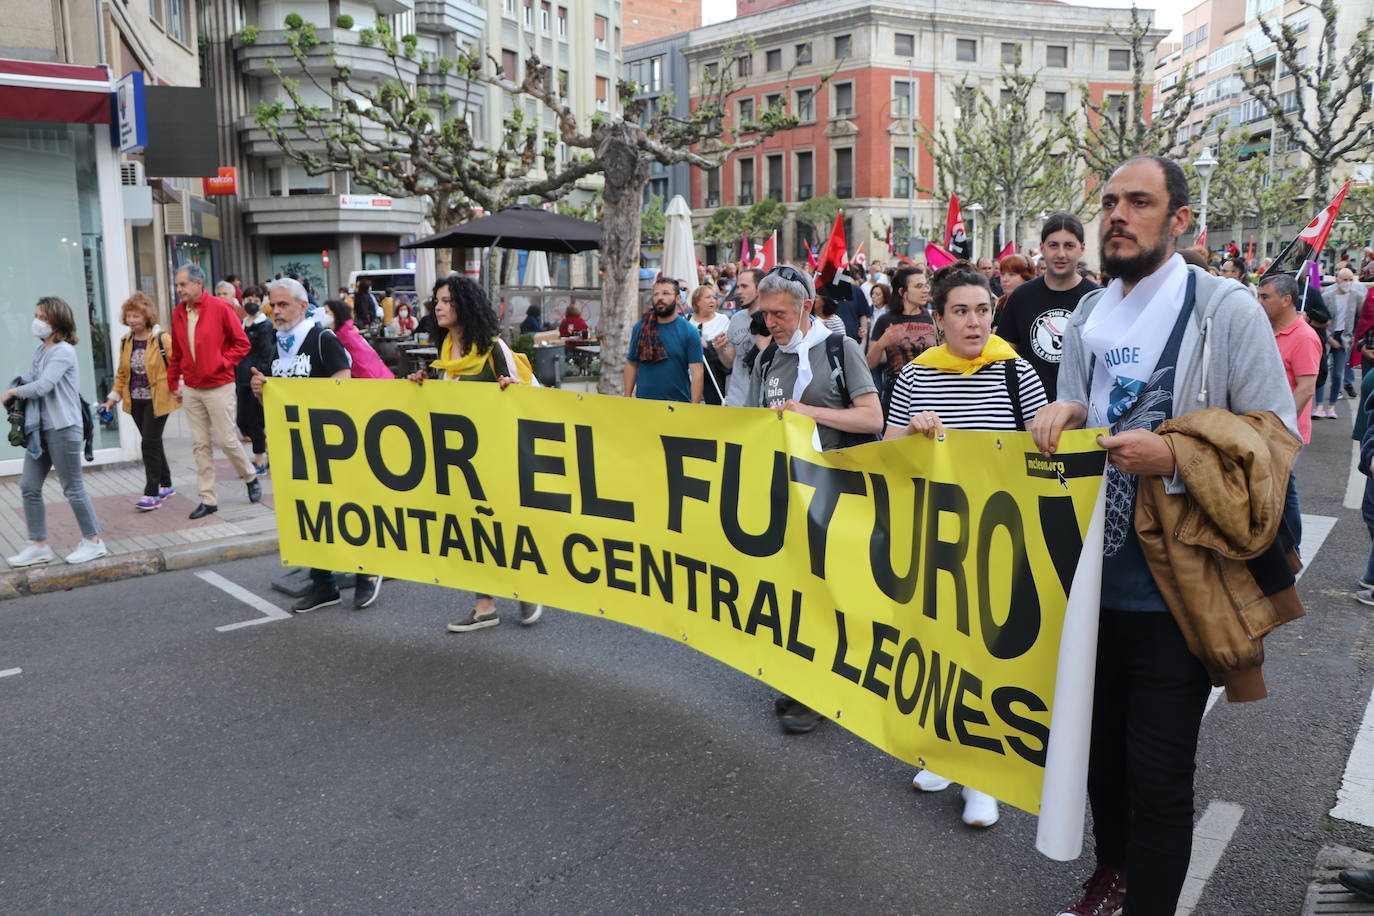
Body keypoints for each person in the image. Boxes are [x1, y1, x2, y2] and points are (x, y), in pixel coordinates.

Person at [1032, 156, 1299, 916]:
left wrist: (1176, 454)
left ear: (1180, 220)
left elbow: (1274, 438)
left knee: (1158, 774)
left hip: (1178, 592)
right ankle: (1112, 871)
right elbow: (1082, 406)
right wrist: (1070, 414)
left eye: (1139, 202)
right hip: (1090, 588)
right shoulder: (1087, 319)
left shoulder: (1225, 310)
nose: (1117, 215)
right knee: (1100, 762)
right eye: (1110, 202)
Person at [883, 261, 1048, 829]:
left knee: (985, 654)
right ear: (939, 318)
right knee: (937, 647)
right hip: (935, 533)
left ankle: (983, 777)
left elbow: (1039, 451)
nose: (974, 322)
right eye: (961, 311)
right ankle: (944, 755)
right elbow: (885, 450)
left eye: (982, 310)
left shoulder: (1015, 373)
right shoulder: (915, 377)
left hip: (999, 536)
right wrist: (912, 433)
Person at [747, 264, 882, 735]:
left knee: (830, 593)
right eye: (764, 314)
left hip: (836, 493)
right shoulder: (767, 358)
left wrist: (806, 412)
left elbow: (872, 419)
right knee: (796, 589)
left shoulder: (838, 348)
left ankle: (822, 691)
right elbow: (753, 423)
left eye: (779, 314)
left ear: (806, 307)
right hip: (788, 491)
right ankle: (804, 679)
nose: (770, 323)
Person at [406, 275, 539, 631]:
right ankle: (485, 607)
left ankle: (526, 587)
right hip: (462, 462)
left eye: (447, 300)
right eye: (436, 300)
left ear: (465, 304)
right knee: (470, 530)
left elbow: (533, 397)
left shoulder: (494, 349)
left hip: (499, 459)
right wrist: (421, 388)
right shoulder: (444, 352)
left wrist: (513, 389)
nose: (438, 306)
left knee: (502, 528)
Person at [249, 278, 380, 612]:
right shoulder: (277, 343)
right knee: (310, 515)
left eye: (283, 305)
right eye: (272, 305)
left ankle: (366, 572)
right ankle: (324, 584)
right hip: (295, 446)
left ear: (302, 306)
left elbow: (343, 388)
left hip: (332, 447)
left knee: (345, 510)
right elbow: (277, 401)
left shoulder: (322, 339)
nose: (275, 311)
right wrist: (262, 394)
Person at [4, 296, 107, 566]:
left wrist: (14, 391)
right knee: (28, 486)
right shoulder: (42, 350)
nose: (36, 321)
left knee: (73, 488)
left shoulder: (63, 351)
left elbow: (43, 386)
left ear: (56, 321)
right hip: (41, 429)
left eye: (42, 316)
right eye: (36, 315)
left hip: (63, 427)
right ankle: (38, 545)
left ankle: (94, 541)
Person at [166, 263, 261, 520]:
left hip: (219, 385)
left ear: (198, 284)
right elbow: (177, 352)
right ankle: (208, 499)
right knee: (199, 444)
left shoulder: (220, 308)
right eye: (177, 285)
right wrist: (173, 382)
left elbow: (242, 344)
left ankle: (250, 476)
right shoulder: (178, 313)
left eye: (182, 284)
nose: (179, 289)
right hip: (193, 388)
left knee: (226, 439)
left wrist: (221, 362)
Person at [996, 212, 1100, 401]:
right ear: (1042, 248)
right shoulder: (1021, 297)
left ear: (1082, 248)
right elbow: (1003, 358)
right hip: (1030, 415)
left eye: (1069, 245)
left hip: (1085, 419)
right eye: (1053, 245)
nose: (1061, 254)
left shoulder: (1098, 299)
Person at [100, 293, 179, 509]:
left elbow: (176, 365)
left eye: (136, 316)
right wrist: (111, 400)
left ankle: (151, 493)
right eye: (129, 316)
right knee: (152, 441)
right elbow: (123, 374)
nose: (132, 320)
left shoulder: (161, 338)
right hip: (135, 401)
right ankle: (167, 484)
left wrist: (178, 387)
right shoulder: (127, 341)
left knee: (148, 444)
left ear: (146, 316)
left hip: (158, 400)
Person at [866, 266, 938, 409]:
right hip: (896, 396)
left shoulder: (932, 318)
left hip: (929, 394)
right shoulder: (885, 321)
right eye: (919, 286)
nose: (925, 290)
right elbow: (870, 363)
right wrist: (882, 343)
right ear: (902, 292)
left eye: (926, 285)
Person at [624, 278, 704, 403]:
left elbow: (697, 371)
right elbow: (631, 363)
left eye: (665, 293)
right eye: (656, 294)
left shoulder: (690, 332)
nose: (659, 298)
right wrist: (627, 398)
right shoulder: (641, 327)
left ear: (678, 299)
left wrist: (694, 407)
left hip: (677, 406)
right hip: (644, 405)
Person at [234, 286, 274, 476]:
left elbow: (266, 353)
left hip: (255, 378)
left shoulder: (264, 325)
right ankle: (266, 450)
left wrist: (260, 375)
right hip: (240, 378)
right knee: (242, 421)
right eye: (248, 298)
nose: (251, 302)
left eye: (256, 300)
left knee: (255, 421)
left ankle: (260, 461)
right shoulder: (242, 323)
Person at [1319, 268, 1367, 415]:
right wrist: (1329, 338)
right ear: (1337, 280)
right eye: (1344, 279)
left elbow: (1361, 319)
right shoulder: (1327, 296)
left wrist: (1354, 338)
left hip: (1345, 338)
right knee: (1321, 371)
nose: (1347, 283)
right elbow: (1321, 318)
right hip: (1327, 337)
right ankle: (1319, 406)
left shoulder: (1357, 296)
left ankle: (1332, 407)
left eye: (1350, 279)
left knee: (1338, 374)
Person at [721, 268, 764, 407]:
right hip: (735, 400)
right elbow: (730, 363)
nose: (739, 291)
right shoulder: (736, 318)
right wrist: (720, 349)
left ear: (759, 289)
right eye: (738, 286)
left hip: (761, 402)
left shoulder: (772, 319)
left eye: (744, 286)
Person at [323, 299, 391, 379]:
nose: (323, 316)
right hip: (379, 376)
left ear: (336, 314)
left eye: (326, 312)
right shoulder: (347, 332)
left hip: (369, 380)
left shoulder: (344, 336)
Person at [689, 284, 731, 405]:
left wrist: (707, 345)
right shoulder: (688, 321)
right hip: (692, 373)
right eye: (708, 297)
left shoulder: (723, 320)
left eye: (714, 297)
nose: (712, 300)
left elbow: (727, 346)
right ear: (697, 301)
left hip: (715, 373)